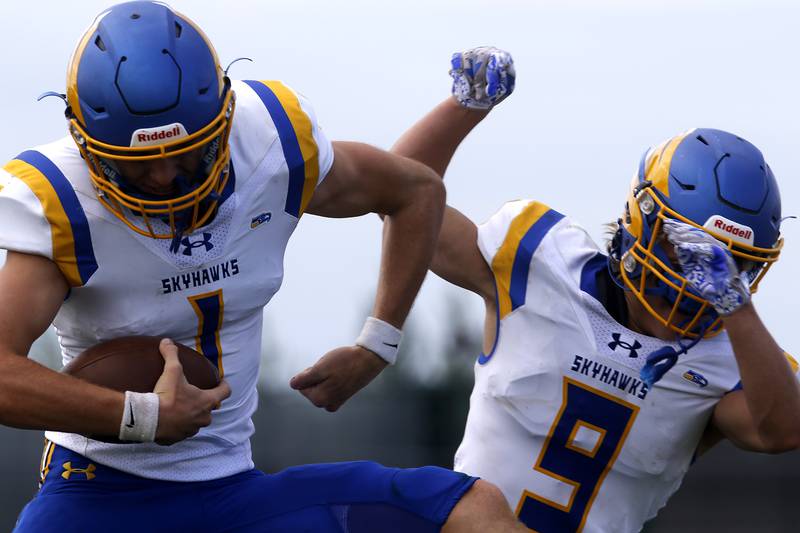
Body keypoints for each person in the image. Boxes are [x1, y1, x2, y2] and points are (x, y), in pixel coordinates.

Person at [1, 4, 527, 532]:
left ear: (225, 120)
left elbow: (416, 190)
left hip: (233, 488)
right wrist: (141, 417)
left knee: (475, 510)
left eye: (186, 155)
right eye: (135, 164)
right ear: (85, 143)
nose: (163, 178)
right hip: (101, 494)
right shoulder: (61, 204)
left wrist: (378, 343)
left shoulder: (271, 144)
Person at [388, 47, 800, 532]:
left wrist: (737, 305)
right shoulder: (540, 262)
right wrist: (464, 107)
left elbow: (783, 430)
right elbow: (398, 196)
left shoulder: (729, 357)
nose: (699, 280)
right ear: (642, 219)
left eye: (733, 265)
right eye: (687, 250)